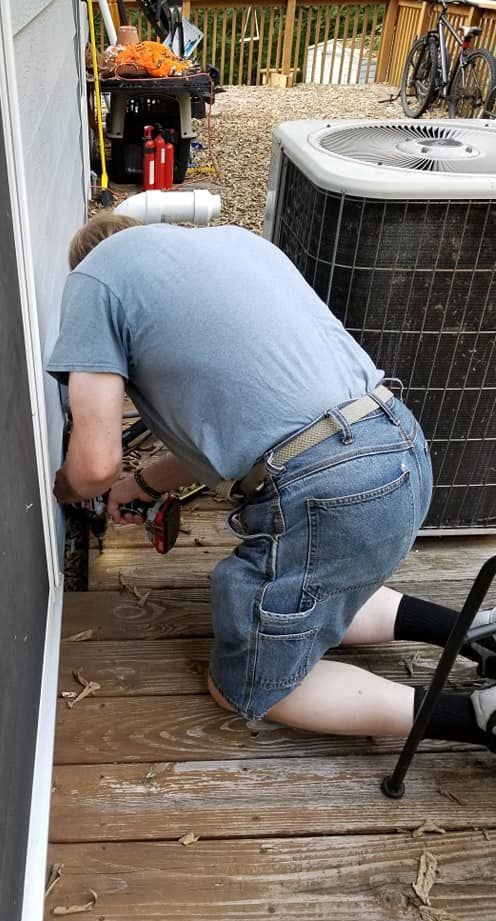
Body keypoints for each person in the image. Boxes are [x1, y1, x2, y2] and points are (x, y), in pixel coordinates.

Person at [47, 213, 496, 750]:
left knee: (246, 689)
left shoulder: (94, 278)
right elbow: (255, 424)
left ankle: (473, 717)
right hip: (401, 445)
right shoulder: (237, 246)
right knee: (322, 585)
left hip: (330, 490)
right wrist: (144, 484)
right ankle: (478, 631)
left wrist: (64, 490)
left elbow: (93, 467)